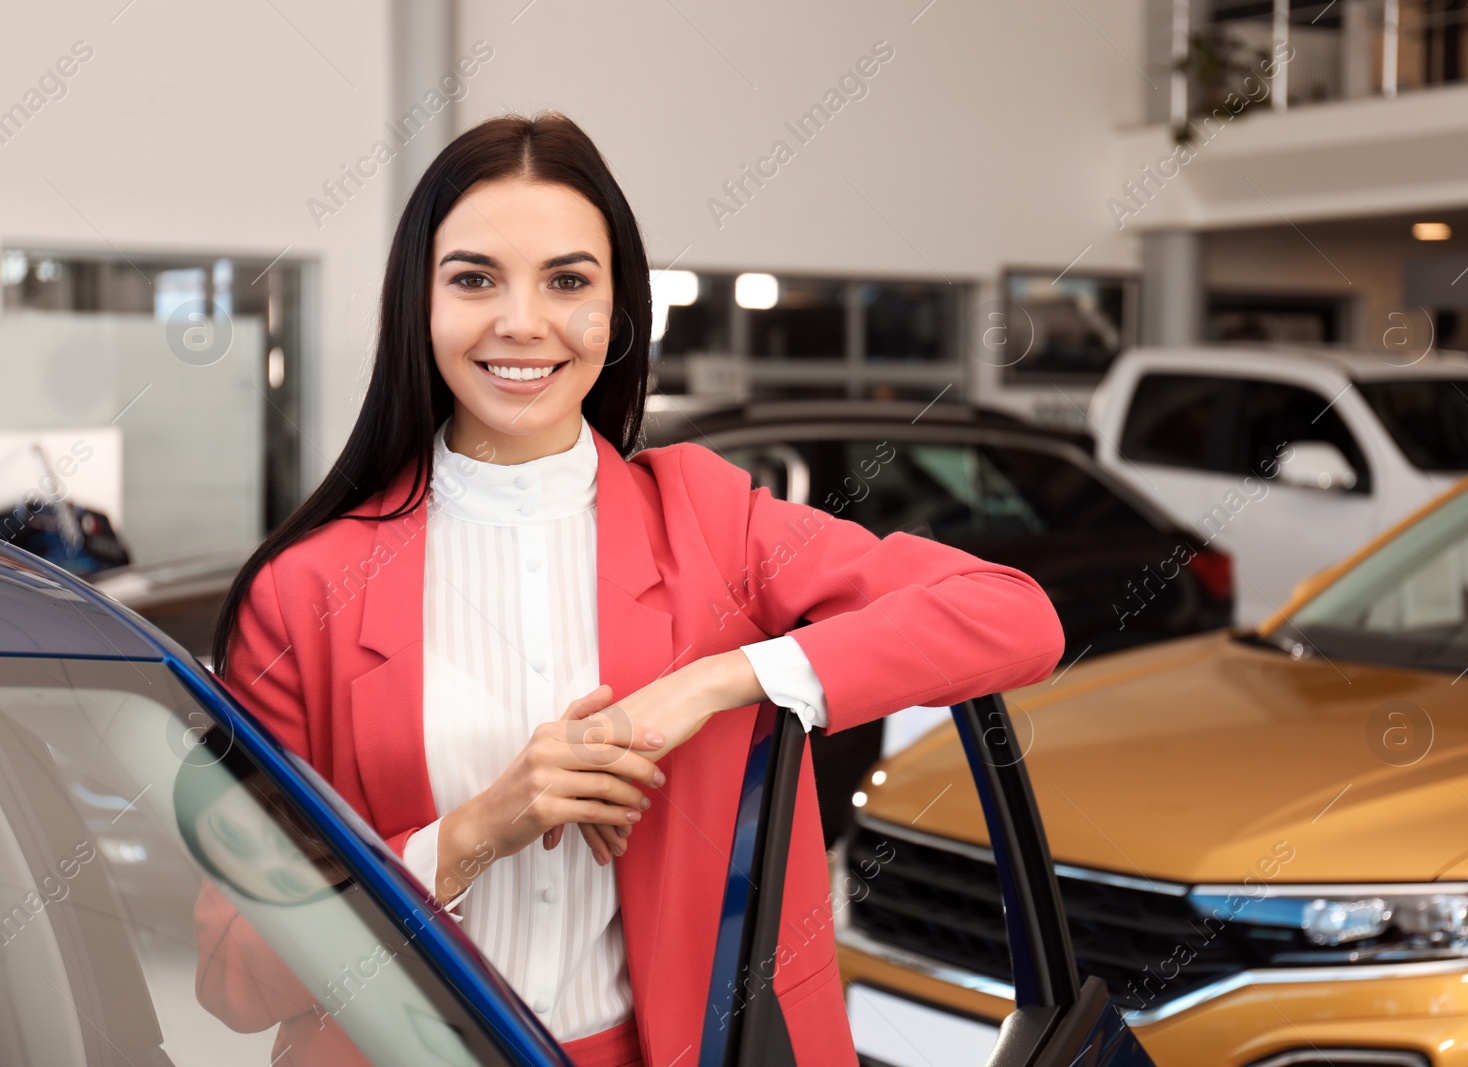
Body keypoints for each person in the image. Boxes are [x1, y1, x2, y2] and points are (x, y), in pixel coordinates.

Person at [196, 110, 1064, 1067]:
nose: (522, 321)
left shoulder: (711, 521)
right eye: (475, 278)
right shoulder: (304, 590)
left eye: (568, 280)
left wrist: (714, 681)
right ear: (420, 306)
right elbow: (235, 971)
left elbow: (1010, 613)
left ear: (617, 313)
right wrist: (478, 830)